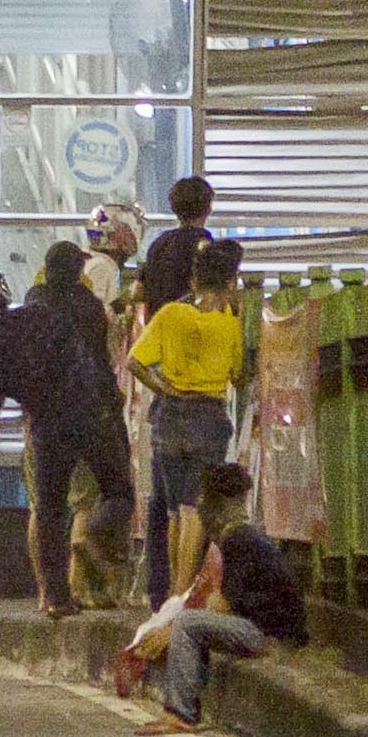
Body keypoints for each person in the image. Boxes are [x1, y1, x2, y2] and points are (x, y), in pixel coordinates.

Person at [0, 252, 134, 618]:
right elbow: (86, 359)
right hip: (91, 415)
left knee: (49, 512)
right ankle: (91, 536)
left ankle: (56, 598)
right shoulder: (42, 315)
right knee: (119, 492)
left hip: (48, 430)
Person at [134, 461, 309, 736]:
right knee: (190, 623)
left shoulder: (239, 539)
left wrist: (172, 630)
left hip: (269, 636)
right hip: (265, 629)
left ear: (220, 502)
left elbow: (223, 605)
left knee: (187, 624)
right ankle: (182, 708)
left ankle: (181, 713)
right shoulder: (243, 537)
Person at [129, 237, 250, 605]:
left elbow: (135, 362)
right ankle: (181, 592)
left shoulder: (169, 314)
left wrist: (163, 387)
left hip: (169, 418)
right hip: (208, 416)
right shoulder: (229, 324)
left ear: (194, 281)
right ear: (230, 284)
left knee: (172, 512)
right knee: (193, 507)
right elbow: (237, 375)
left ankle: (168, 593)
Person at [133, 177, 220, 319]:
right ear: (208, 209)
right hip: (189, 327)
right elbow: (210, 296)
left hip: (157, 327)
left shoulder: (159, 243)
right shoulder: (204, 245)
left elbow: (138, 291)